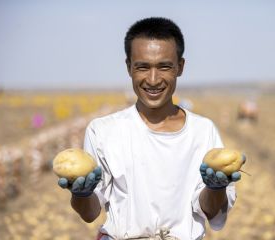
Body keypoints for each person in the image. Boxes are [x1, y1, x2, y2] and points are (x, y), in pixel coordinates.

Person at [58, 17, 245, 240]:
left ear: (180, 67)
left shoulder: (202, 131)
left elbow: (210, 210)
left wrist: (215, 188)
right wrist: (81, 193)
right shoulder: (104, 131)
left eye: (164, 66)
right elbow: (90, 213)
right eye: (143, 67)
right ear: (129, 67)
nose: (153, 79)